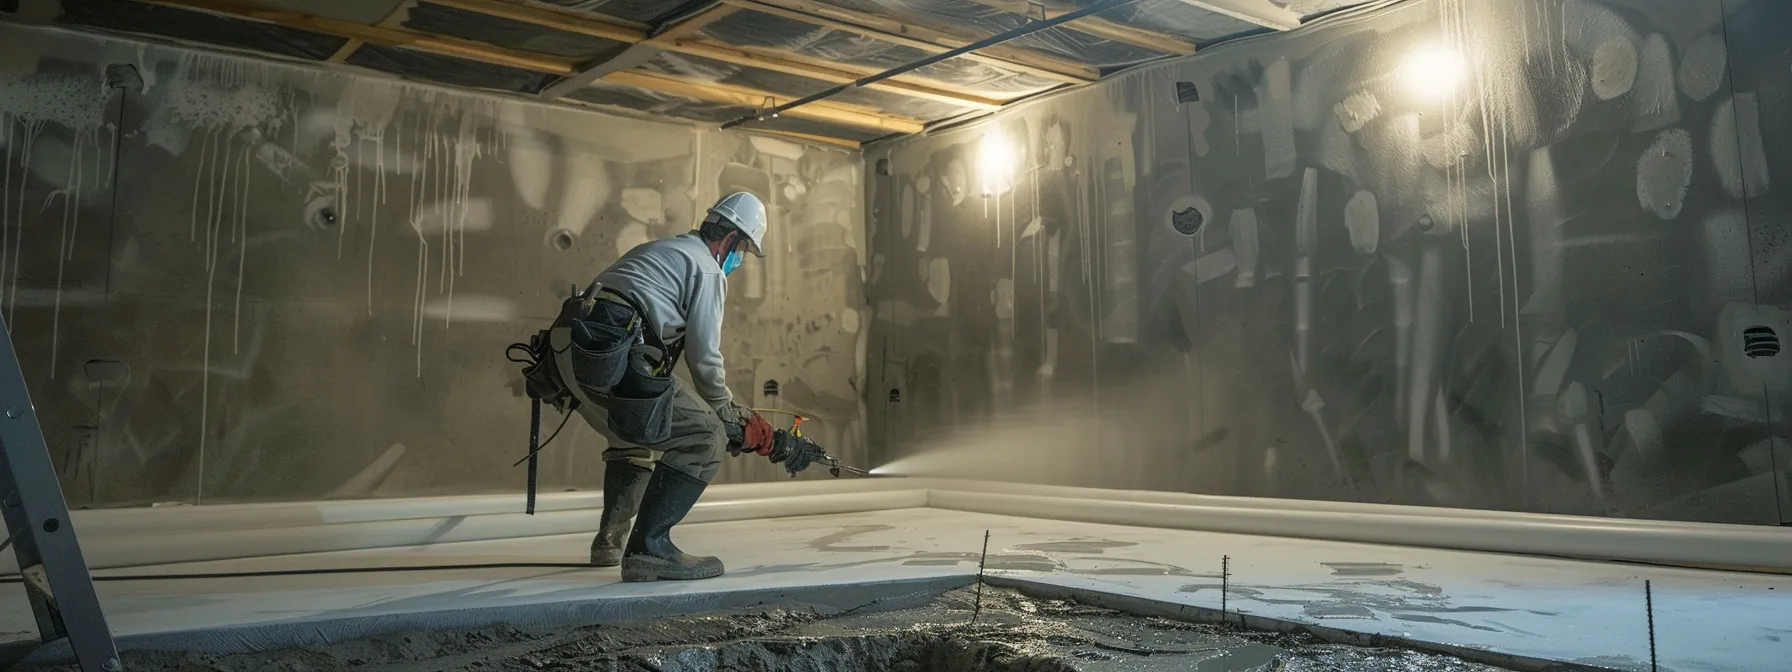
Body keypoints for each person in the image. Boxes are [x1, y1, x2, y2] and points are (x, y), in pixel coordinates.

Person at [572, 191, 776, 582]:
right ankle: (650, 548)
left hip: (574, 354)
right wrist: (727, 414)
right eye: (744, 250)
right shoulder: (707, 269)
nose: (740, 260)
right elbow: (704, 358)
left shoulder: (662, 250)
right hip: (616, 349)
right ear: (732, 239)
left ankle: (609, 541)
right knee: (705, 437)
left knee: (631, 432)